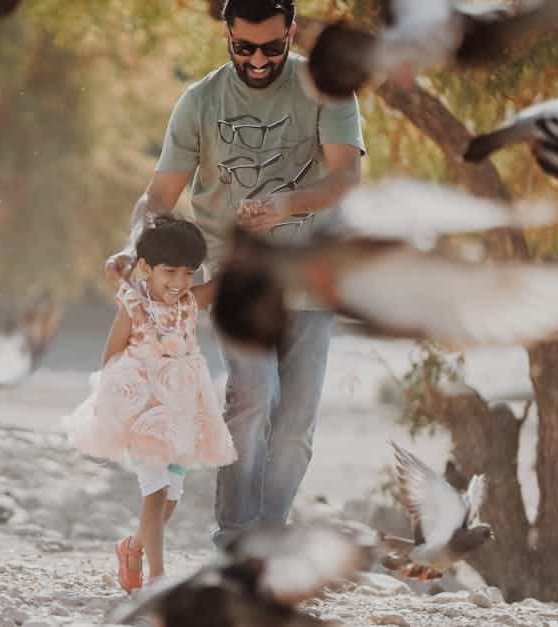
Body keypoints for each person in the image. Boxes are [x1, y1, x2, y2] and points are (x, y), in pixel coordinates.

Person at [103, 0, 365, 551]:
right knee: (253, 398)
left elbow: (345, 177)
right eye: (244, 47)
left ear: (292, 32)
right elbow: (159, 196)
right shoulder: (200, 101)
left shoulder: (328, 90)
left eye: (272, 47)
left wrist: (286, 204)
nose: (258, 60)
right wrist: (134, 246)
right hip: (236, 279)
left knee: (295, 427)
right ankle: (235, 537)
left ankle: (268, 538)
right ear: (226, 33)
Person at [65, 216, 237, 593]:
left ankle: (131, 547)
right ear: (147, 268)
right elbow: (111, 355)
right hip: (142, 411)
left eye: (188, 273)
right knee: (155, 492)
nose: (179, 282)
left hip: (181, 411)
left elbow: (227, 281)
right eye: (169, 272)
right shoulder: (133, 306)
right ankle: (158, 580)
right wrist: (116, 403)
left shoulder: (190, 302)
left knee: (171, 498)